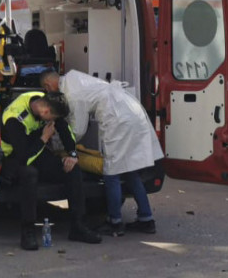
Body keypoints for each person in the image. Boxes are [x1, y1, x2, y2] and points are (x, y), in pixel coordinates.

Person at [40, 70, 162, 236]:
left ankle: (115, 223)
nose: (48, 93)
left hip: (119, 120)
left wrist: (59, 146)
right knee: (129, 171)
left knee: (111, 172)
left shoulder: (71, 94)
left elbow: (78, 130)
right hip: (132, 112)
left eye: (46, 90)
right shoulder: (72, 77)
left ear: (48, 86)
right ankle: (146, 220)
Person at [0, 90, 102, 250]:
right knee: (30, 174)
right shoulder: (14, 118)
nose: (53, 121)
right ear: (45, 112)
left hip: (37, 150)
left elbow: (64, 130)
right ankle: (28, 232)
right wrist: (44, 138)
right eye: (52, 118)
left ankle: (78, 226)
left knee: (72, 169)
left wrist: (72, 154)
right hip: (15, 157)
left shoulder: (47, 101)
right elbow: (25, 157)